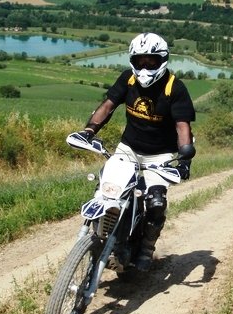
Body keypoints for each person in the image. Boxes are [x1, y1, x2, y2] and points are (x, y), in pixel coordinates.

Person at [79, 32, 196, 273]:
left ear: (162, 60)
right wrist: (89, 131)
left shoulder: (175, 88)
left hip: (160, 155)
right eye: (139, 61)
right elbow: (108, 105)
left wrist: (184, 159)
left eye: (150, 61)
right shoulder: (127, 80)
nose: (144, 67)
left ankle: (146, 248)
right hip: (128, 148)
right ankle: (100, 237)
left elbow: (182, 125)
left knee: (155, 201)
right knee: (106, 190)